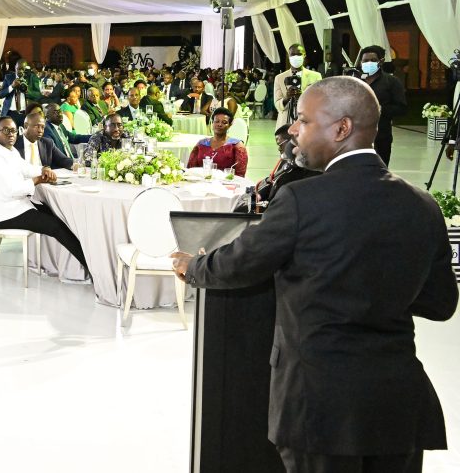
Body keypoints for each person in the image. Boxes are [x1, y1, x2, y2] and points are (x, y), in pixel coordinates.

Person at [172, 77, 457, 473]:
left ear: (341, 129)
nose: (292, 129)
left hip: (319, 404)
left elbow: (240, 263)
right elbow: (441, 304)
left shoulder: (301, 200)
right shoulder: (423, 206)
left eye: (303, 121)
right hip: (397, 404)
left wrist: (193, 266)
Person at [0, 117, 88, 272]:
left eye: (14, 130)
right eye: (6, 130)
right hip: (0, 213)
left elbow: (25, 168)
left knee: (56, 213)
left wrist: (43, 170)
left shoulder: (9, 150)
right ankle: (92, 269)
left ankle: (66, 265)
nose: (11, 134)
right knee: (56, 226)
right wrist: (37, 180)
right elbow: (11, 190)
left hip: (14, 206)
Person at [250, 124, 319, 211]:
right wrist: (260, 194)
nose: (279, 149)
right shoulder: (286, 161)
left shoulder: (308, 169)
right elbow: (273, 180)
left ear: (293, 141)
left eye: (280, 144)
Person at [359, 45, 407, 166]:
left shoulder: (392, 82)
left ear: (381, 61)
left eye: (373, 60)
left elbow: (402, 108)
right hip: (355, 136)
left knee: (380, 171)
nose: (368, 63)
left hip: (381, 136)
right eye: (365, 61)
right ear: (360, 62)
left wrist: (379, 109)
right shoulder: (356, 81)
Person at [187, 107, 248, 177]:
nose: (219, 124)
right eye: (217, 121)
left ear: (230, 125)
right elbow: (190, 169)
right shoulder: (201, 144)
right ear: (212, 123)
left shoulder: (236, 146)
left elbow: (240, 175)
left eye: (224, 122)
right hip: (201, 184)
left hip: (226, 185)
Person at [273, 43, 322, 127]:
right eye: (292, 54)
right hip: (285, 124)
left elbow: (320, 102)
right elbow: (277, 104)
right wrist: (287, 98)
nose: (296, 57)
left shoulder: (316, 76)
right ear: (289, 56)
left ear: (304, 55)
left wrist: (303, 97)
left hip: (308, 124)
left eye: (299, 54)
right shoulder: (279, 78)